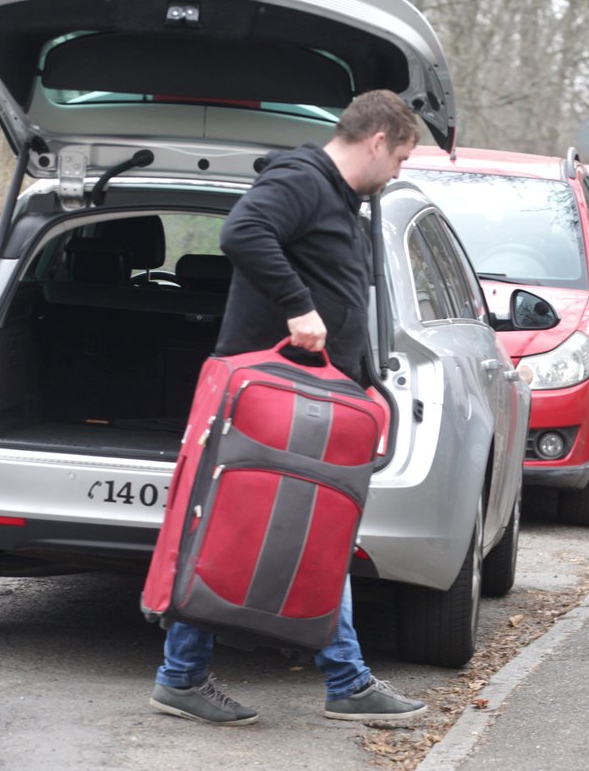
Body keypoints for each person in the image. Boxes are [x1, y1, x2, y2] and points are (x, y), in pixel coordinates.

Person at [149, 89, 427, 725]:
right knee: (278, 527)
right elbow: (242, 230)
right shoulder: (304, 179)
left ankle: (189, 674)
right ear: (378, 140)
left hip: (311, 395)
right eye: (403, 158)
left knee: (294, 527)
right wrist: (300, 307)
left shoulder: (338, 197)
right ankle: (341, 682)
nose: (400, 172)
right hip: (274, 394)